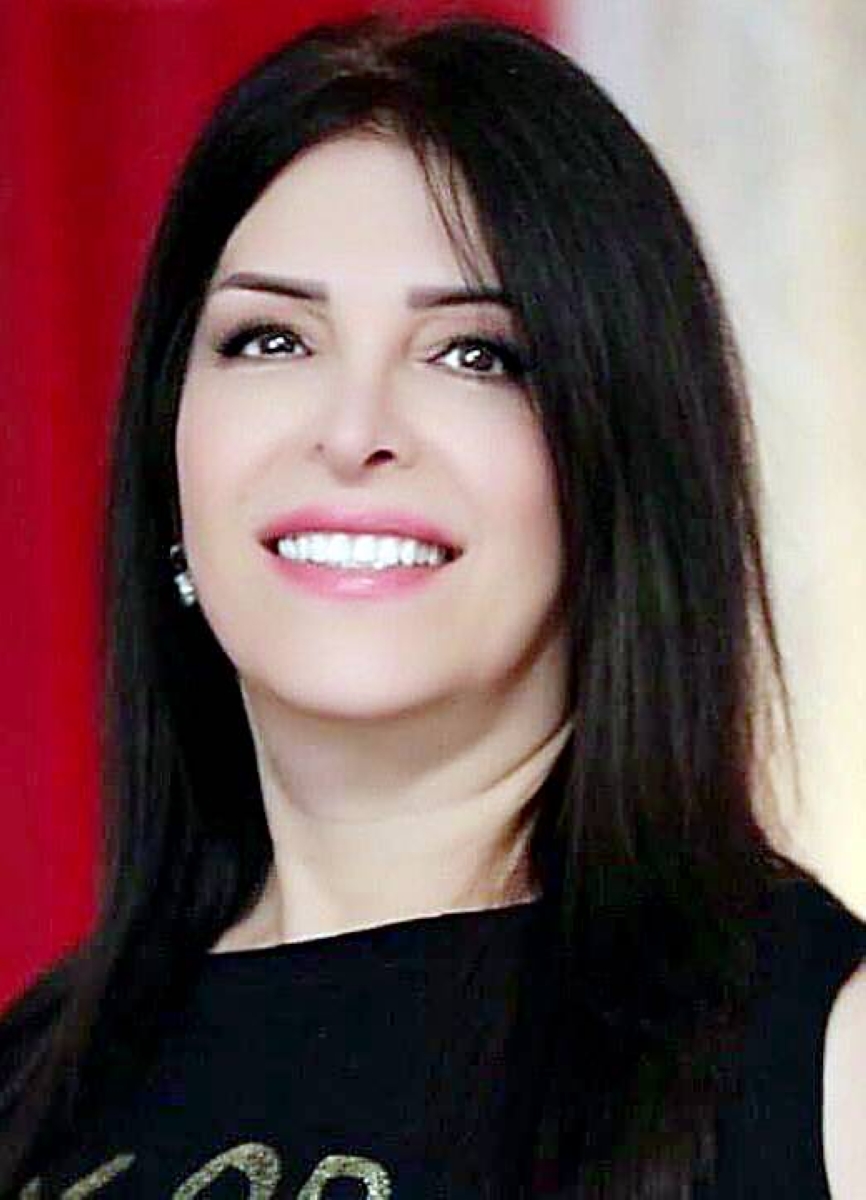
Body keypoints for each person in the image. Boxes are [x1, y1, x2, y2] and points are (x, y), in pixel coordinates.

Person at [1, 11, 863, 1198]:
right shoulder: (33, 1082)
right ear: (167, 451)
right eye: (270, 339)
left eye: (474, 355)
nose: (352, 430)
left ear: (619, 463)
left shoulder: (824, 1061)